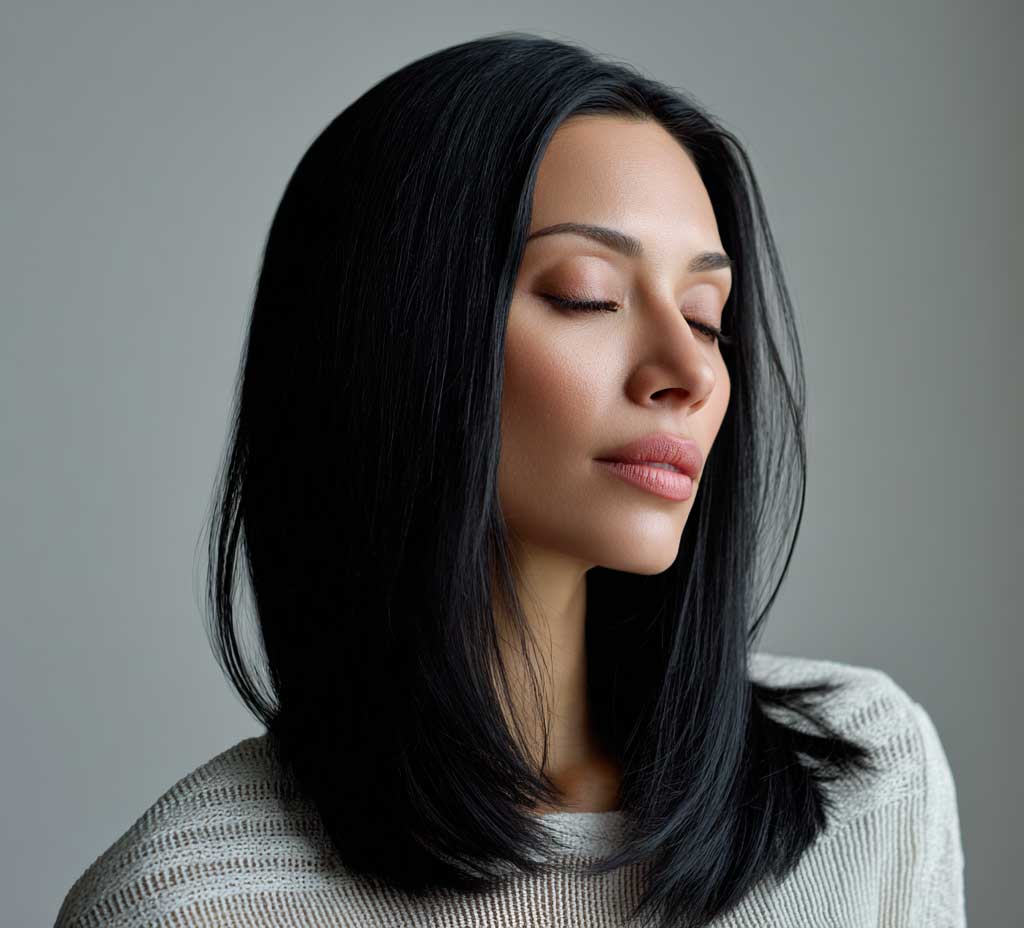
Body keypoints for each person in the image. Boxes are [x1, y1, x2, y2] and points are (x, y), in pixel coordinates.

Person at [53, 32, 965, 928]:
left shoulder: (868, 783)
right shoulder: (184, 905)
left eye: (704, 314)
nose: (686, 372)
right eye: (586, 295)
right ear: (397, 340)